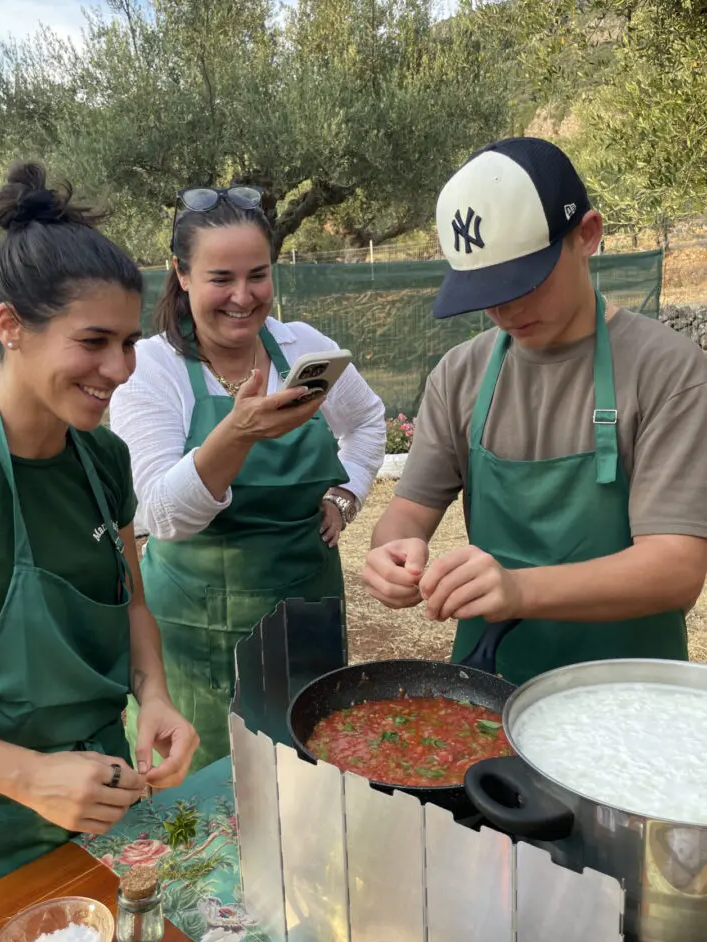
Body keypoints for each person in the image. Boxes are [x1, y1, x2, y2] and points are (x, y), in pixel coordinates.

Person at [0, 163, 198, 927]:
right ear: (11, 327)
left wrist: (154, 696)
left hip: (107, 818)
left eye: (128, 342)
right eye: (93, 341)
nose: (119, 370)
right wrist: (29, 777)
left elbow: (131, 604)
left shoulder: (103, 459)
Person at [363, 137, 707, 684]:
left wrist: (518, 589)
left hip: (633, 694)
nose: (505, 310)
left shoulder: (669, 370)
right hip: (489, 686)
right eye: (485, 291)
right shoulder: (460, 374)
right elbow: (406, 513)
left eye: (524, 281)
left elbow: (676, 568)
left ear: (586, 235)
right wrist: (393, 553)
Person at [110, 186, 386, 772]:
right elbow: (160, 515)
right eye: (221, 278)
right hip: (194, 629)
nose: (243, 296)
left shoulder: (302, 348)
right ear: (181, 274)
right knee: (209, 788)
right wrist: (236, 434)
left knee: (311, 768)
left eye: (257, 275)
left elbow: (366, 421)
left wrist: (348, 495)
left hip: (306, 611)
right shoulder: (152, 369)